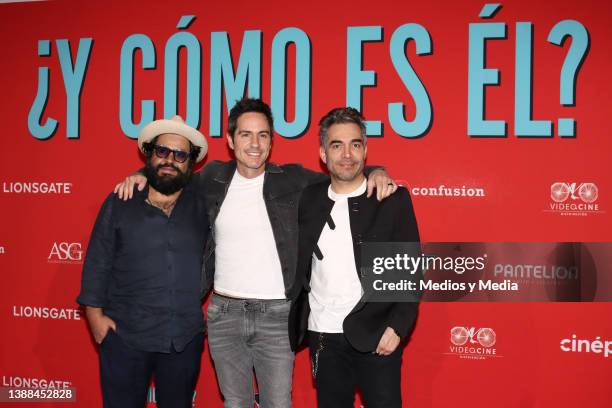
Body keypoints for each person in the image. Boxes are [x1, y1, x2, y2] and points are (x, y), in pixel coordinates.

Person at [114, 98, 397, 407]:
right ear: (230, 140)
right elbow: (171, 175)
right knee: (235, 402)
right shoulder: (211, 179)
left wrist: (376, 171)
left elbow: (343, 173)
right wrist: (141, 174)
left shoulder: (292, 179)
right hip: (224, 315)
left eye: (263, 135)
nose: (255, 143)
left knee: (277, 403)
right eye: (246, 134)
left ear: (271, 142)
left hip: (276, 316)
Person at [77, 116, 209, 408]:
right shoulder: (120, 201)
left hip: (183, 340)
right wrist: (95, 319)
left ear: (191, 163)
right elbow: (98, 261)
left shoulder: (203, 205)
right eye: (162, 151)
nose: (170, 160)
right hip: (125, 337)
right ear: (149, 154)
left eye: (180, 155)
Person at [294, 107, 420, 408]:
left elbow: (409, 270)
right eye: (336, 145)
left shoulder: (390, 199)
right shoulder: (308, 198)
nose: (347, 154)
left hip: (376, 336)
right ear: (323, 154)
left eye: (355, 144)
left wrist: (397, 328)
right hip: (324, 334)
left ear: (365, 149)